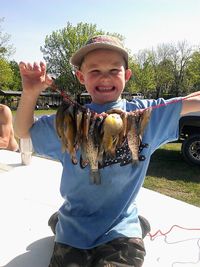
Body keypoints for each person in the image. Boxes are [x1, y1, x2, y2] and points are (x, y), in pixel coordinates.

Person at [14, 35, 200, 267]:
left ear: (127, 75)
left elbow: (192, 102)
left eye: (114, 70)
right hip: (74, 229)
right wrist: (30, 92)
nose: (105, 77)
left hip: (120, 230)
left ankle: (134, 224)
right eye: (94, 71)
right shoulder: (69, 121)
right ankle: (61, 220)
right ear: (81, 77)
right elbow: (23, 132)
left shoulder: (147, 116)